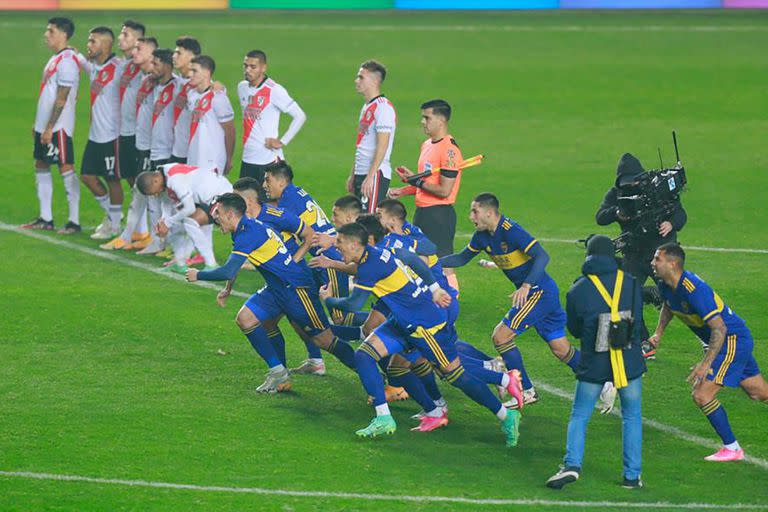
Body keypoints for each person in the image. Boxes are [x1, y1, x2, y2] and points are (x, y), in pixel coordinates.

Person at [321, 223, 521, 444]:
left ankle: (505, 412)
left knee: (455, 375)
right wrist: (434, 289)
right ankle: (386, 417)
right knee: (367, 356)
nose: (336, 246)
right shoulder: (381, 251)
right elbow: (413, 258)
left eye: (339, 242)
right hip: (402, 321)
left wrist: (327, 299)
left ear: (353, 243)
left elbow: (353, 303)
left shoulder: (370, 266)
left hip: (424, 326)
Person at [185, 193, 358, 393]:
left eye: (219, 214)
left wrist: (198, 275)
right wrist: (228, 288)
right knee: (246, 318)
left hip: (295, 289)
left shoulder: (248, 232)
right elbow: (235, 263)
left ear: (231, 214)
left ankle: (367, 366)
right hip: (277, 288)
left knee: (323, 340)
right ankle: (278, 372)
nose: (216, 218)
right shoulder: (243, 229)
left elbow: (228, 269)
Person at [442, 193, 587, 407]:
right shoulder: (481, 236)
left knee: (501, 337)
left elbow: (542, 255)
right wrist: (429, 263)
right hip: (540, 294)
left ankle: (526, 390)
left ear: (489, 213)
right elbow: (462, 258)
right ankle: (602, 377)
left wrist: (526, 286)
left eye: (475, 211)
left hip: (539, 292)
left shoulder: (511, 231)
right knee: (561, 349)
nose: (470, 216)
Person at [651, 242, 768, 462]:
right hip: (728, 341)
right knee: (759, 392)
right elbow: (669, 306)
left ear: (672, 263)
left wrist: (705, 364)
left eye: (657, 259)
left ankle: (732, 448)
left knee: (702, 394)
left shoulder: (695, 290)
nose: (653, 263)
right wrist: (658, 333)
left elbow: (720, 328)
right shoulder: (665, 284)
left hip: (732, 340)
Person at [546, 235, 645, 490]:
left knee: (579, 415)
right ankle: (631, 477)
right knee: (632, 417)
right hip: (629, 360)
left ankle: (571, 465)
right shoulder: (631, 283)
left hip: (595, 362)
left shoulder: (578, 289)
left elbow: (575, 330)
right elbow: (638, 324)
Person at [596, 153, 687, 359]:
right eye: (628, 182)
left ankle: (706, 339)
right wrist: (617, 213)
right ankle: (644, 343)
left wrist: (671, 223)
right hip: (634, 254)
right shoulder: (617, 195)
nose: (633, 185)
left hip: (660, 256)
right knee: (625, 296)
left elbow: (680, 214)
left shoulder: (657, 190)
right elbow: (600, 217)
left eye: (636, 180)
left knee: (681, 297)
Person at [388, 99, 463, 291]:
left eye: (426, 117)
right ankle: (430, 297)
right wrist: (403, 190)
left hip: (439, 215)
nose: (422, 121)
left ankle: (452, 300)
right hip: (423, 212)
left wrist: (416, 180)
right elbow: (426, 184)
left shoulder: (449, 151)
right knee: (422, 258)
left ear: (441, 120)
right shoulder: (427, 145)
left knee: (444, 264)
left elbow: (444, 190)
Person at [23, 17, 81, 234]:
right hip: (45, 125)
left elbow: (61, 98)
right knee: (41, 164)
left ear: (63, 34)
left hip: (58, 127)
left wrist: (49, 128)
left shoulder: (67, 61)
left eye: (51, 31)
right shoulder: (56, 59)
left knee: (66, 167)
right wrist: (38, 125)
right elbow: (47, 94)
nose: (46, 35)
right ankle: (45, 218)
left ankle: (73, 221)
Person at [100, 36, 158, 252]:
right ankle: (142, 234)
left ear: (152, 53)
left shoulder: (159, 80)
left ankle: (139, 236)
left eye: (139, 49)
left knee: (148, 192)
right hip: (139, 140)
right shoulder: (143, 77)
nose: (134, 52)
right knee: (139, 189)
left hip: (153, 146)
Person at [136, 163, 231, 272]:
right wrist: (164, 220)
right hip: (204, 198)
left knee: (190, 222)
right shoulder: (163, 174)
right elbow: (166, 200)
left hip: (222, 196)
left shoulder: (175, 180)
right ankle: (180, 263)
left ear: (155, 181)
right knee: (175, 225)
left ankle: (212, 265)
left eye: (154, 192)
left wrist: (168, 222)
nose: (155, 195)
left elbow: (189, 209)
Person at [78, 26, 125, 241]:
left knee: (112, 179)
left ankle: (114, 225)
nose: (89, 45)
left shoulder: (119, 67)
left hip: (111, 135)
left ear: (106, 44)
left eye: (93, 41)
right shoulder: (95, 66)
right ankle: (114, 216)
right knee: (87, 176)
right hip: (94, 135)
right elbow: (83, 63)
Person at [237, 49, 306, 184]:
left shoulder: (274, 90)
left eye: (253, 67)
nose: (248, 70)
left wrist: (282, 141)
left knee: (269, 203)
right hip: (248, 158)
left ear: (263, 68)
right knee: (244, 202)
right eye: (245, 66)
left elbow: (300, 116)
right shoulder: (242, 87)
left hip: (267, 159)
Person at [347, 60, 396, 213]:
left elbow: (383, 144)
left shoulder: (383, 107)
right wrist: (353, 174)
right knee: (359, 223)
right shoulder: (367, 107)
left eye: (361, 77)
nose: (357, 81)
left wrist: (371, 176)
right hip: (362, 173)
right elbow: (362, 142)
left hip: (375, 174)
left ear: (374, 81)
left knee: (370, 223)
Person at [187, 55, 235, 176]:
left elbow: (230, 131)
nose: (189, 74)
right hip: (193, 158)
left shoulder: (218, 97)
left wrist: (229, 158)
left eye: (194, 71)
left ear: (207, 73)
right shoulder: (191, 94)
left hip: (212, 161)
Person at [170, 36, 201, 164]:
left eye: (178, 53)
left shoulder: (201, 87)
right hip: (176, 151)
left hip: (192, 154)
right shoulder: (176, 81)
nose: (174, 56)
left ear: (191, 57)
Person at [148, 49, 178, 168]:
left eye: (156, 64)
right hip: (154, 151)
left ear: (166, 66)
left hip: (167, 153)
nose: (151, 68)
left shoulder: (177, 86)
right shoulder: (154, 85)